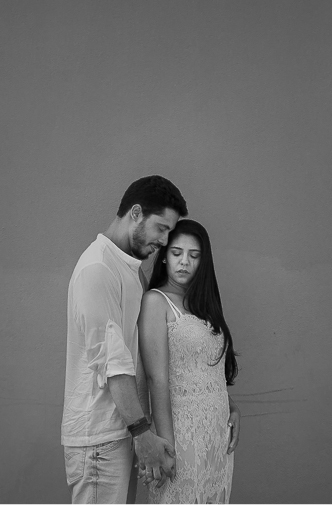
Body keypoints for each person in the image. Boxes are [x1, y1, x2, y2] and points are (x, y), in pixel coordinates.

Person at [62, 175, 188, 503]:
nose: (164, 240)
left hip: (121, 431)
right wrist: (142, 434)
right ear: (136, 213)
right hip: (99, 439)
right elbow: (112, 363)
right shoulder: (98, 268)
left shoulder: (130, 269)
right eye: (161, 228)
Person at [137, 219, 240, 504]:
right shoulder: (156, 301)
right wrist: (166, 446)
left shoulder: (204, 305)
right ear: (164, 257)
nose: (184, 262)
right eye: (176, 253)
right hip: (182, 432)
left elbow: (206, 366)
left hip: (216, 432)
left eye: (194, 256)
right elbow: (156, 378)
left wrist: (231, 406)